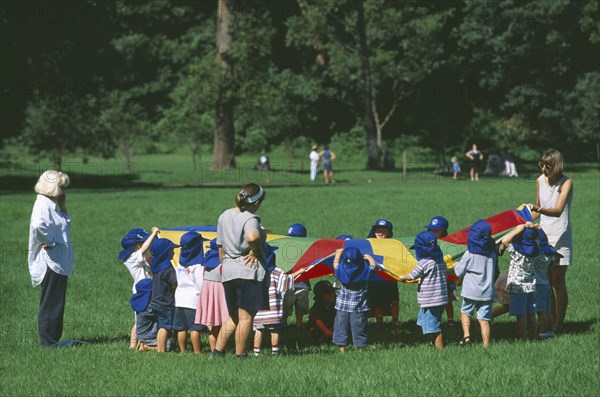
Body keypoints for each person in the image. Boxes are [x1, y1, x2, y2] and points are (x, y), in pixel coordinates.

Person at [213, 183, 267, 358]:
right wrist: (254, 250)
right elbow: (253, 237)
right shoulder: (250, 218)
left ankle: (217, 352)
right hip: (247, 270)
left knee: (235, 315)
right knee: (246, 317)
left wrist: (226, 266)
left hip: (228, 270)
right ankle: (240, 356)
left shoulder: (224, 215)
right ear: (257, 203)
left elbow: (220, 246)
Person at [528, 148, 573, 334]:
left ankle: (559, 323)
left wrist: (538, 209)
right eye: (541, 165)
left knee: (558, 281)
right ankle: (550, 321)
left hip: (561, 235)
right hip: (543, 237)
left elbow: (558, 209)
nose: (543, 169)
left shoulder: (566, 182)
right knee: (545, 280)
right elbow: (535, 210)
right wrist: (521, 221)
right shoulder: (540, 180)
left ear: (555, 166)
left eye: (546, 166)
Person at [28, 170, 73, 347]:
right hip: (50, 261)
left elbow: (61, 225)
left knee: (56, 302)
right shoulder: (43, 205)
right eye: (61, 187)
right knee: (51, 303)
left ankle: (52, 340)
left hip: (57, 261)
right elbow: (38, 225)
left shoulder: (49, 204)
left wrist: (63, 207)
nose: (63, 191)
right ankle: (48, 342)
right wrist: (50, 241)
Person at [253, 244, 306, 355]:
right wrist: (299, 272)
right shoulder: (277, 271)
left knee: (258, 330)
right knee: (274, 331)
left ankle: (256, 353)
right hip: (273, 309)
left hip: (259, 308)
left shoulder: (255, 269)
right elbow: (286, 282)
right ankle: (275, 352)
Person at [399, 231, 448, 349]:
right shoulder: (440, 261)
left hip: (431, 300)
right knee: (430, 322)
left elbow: (412, 275)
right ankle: (431, 343)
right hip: (440, 298)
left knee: (434, 325)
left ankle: (440, 349)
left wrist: (402, 277)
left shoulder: (424, 263)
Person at [453, 219, 497, 347]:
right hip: (488, 292)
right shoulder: (492, 253)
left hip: (471, 291)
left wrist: (456, 264)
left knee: (465, 312)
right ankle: (486, 345)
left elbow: (459, 272)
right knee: (484, 320)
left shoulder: (469, 254)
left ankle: (467, 336)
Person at [119, 227, 159, 348]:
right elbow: (144, 249)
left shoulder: (142, 258)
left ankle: (140, 342)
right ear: (136, 246)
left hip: (149, 290)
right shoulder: (131, 258)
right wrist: (153, 234)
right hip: (142, 292)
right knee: (138, 321)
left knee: (145, 319)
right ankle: (134, 345)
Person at [332, 247, 377, 353]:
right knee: (359, 327)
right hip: (359, 307)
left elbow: (335, 265)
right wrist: (370, 258)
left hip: (342, 306)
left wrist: (338, 254)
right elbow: (373, 267)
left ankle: (341, 348)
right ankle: (360, 347)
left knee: (340, 326)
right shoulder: (364, 272)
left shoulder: (341, 271)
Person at [499, 223, 540, 340]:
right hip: (531, 286)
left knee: (521, 315)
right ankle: (534, 335)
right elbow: (537, 237)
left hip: (518, 288)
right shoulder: (535, 249)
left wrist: (517, 229)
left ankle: (522, 337)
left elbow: (505, 240)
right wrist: (535, 229)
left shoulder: (517, 253)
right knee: (531, 313)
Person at [195, 238, 230, 352]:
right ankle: (219, 350)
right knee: (221, 324)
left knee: (214, 326)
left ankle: (213, 349)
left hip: (208, 292)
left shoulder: (206, 261)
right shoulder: (222, 262)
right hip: (219, 293)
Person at [174, 232, 206, 354]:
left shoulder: (180, 263)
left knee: (181, 328)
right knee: (195, 328)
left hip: (180, 298)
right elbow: (200, 283)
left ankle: (183, 351)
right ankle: (197, 351)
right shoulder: (198, 265)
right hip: (192, 300)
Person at [367, 220, 400, 327]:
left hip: (390, 276)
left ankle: (395, 320)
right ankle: (379, 323)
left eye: (383, 230)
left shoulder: (393, 245)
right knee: (378, 301)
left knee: (394, 299)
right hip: (376, 278)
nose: (380, 232)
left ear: (389, 232)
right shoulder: (369, 244)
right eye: (377, 230)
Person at [424, 216, 456, 326]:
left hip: (446, 275)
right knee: (432, 298)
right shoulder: (427, 241)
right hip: (432, 276)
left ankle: (450, 320)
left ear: (443, 231)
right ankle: (433, 319)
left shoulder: (449, 243)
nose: (434, 232)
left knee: (448, 298)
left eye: (437, 230)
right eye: (432, 229)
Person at [149, 238, 179, 352]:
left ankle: (161, 348)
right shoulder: (168, 268)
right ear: (165, 252)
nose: (173, 252)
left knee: (161, 326)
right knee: (165, 327)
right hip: (166, 302)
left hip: (156, 300)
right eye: (171, 249)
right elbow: (174, 284)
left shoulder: (155, 266)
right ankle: (161, 351)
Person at [283, 223, 311, 329]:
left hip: (303, 284)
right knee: (286, 306)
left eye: (295, 237)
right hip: (289, 284)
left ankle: (299, 325)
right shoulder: (286, 249)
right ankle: (283, 324)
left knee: (301, 307)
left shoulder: (307, 250)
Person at [535, 229, 562, 337]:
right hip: (546, 284)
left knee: (541, 312)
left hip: (537, 285)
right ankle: (550, 330)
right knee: (546, 310)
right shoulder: (549, 253)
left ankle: (543, 333)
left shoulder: (536, 254)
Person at [130, 278, 158, 351]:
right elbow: (160, 313)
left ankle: (142, 344)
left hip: (143, 336)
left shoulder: (140, 305)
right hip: (149, 338)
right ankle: (146, 347)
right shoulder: (149, 309)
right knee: (166, 344)